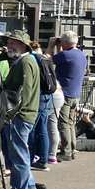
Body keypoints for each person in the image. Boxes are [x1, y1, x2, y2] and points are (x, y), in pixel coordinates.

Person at [0, 30, 40, 189]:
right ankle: (29, 186)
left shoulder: (25, 62)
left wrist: (11, 114)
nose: (9, 44)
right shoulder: (25, 61)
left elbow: (24, 92)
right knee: (20, 151)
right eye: (9, 41)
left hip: (21, 115)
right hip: (24, 114)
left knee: (18, 153)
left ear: (23, 45)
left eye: (14, 42)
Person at [52, 32, 88, 162]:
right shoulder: (81, 55)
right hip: (76, 94)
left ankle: (66, 151)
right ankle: (72, 149)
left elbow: (47, 60)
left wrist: (51, 46)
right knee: (71, 123)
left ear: (65, 43)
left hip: (65, 94)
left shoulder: (65, 55)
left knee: (63, 123)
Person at [29, 40, 56, 170]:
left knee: (33, 129)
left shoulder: (32, 58)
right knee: (43, 128)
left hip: (38, 96)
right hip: (48, 95)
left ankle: (30, 157)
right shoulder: (45, 58)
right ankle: (43, 159)